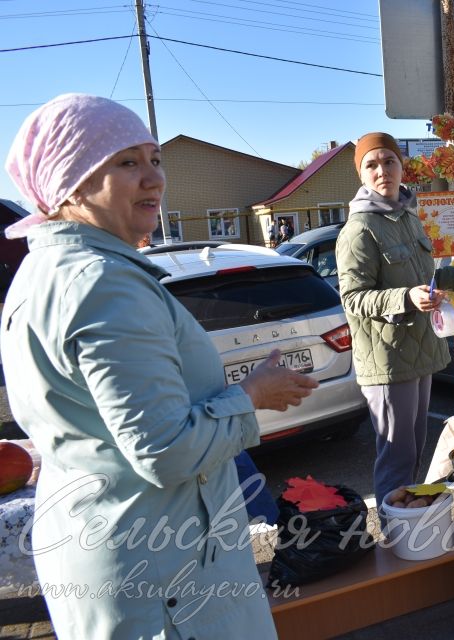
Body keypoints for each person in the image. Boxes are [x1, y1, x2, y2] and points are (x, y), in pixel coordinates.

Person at [0, 94, 319, 639]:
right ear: (70, 183)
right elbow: (164, 450)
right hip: (165, 577)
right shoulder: (103, 283)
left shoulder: (45, 269)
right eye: (126, 162)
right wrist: (252, 396)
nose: (154, 179)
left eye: (155, 158)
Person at [335, 132, 454, 506]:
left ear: (401, 166)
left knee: (414, 452)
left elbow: (425, 280)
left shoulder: (408, 217)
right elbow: (353, 298)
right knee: (396, 458)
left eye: (388, 161)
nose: (382, 171)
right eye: (371, 165)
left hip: (421, 350)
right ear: (362, 174)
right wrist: (406, 298)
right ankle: (396, 546)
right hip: (388, 361)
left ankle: (409, 533)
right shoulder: (359, 230)